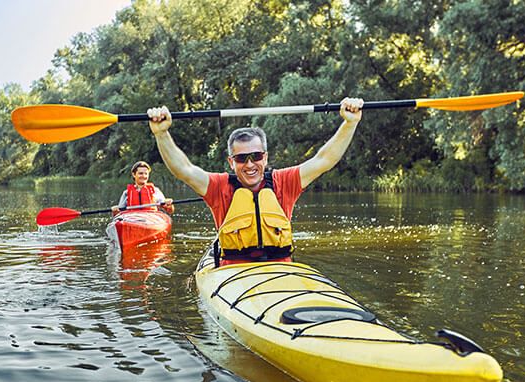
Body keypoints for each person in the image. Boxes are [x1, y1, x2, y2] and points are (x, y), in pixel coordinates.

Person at [146, 97, 363, 265]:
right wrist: (161, 133)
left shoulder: (284, 182)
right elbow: (183, 169)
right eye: (242, 159)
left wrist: (349, 123)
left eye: (256, 156)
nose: (250, 165)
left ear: (265, 157)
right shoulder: (219, 187)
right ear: (231, 162)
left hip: (280, 271)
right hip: (233, 274)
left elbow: (324, 159)